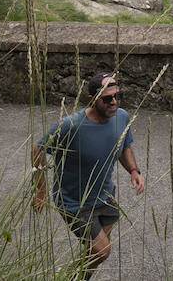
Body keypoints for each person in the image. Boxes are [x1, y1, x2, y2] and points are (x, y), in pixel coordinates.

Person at [32, 71, 145, 279]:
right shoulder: (71, 125)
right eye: (107, 99)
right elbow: (38, 149)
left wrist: (133, 170)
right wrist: (40, 190)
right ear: (92, 99)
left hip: (106, 196)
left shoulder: (121, 117)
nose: (114, 102)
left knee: (95, 253)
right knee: (102, 251)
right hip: (74, 202)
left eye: (117, 96)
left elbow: (124, 145)